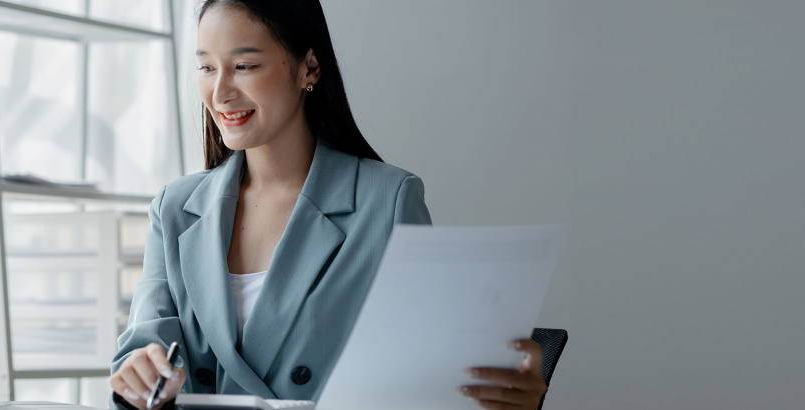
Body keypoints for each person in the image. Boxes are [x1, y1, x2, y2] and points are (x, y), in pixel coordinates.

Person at [109, 1, 548, 408]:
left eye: (244, 66)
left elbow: (428, 373)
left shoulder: (387, 201)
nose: (219, 92)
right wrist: (138, 378)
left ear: (309, 67)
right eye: (206, 67)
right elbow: (141, 355)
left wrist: (501, 388)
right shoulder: (175, 207)